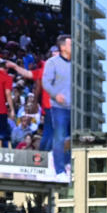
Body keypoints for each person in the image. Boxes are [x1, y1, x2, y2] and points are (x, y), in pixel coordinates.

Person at [41, 35, 72, 175]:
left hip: (75, 109)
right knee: (59, 137)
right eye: (71, 45)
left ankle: (68, 164)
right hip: (59, 108)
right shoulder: (52, 62)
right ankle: (59, 170)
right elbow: (45, 82)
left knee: (72, 139)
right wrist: (55, 94)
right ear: (63, 47)